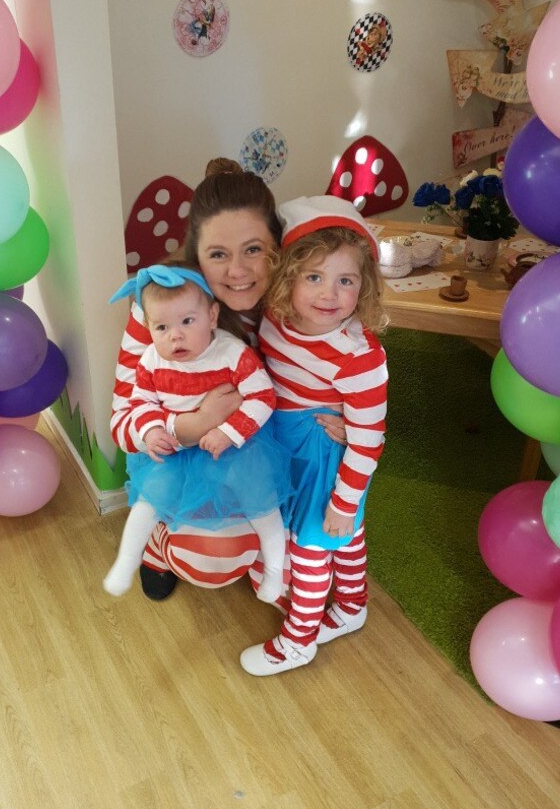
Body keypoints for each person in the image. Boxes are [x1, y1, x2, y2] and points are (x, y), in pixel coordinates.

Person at [110, 159, 346, 601]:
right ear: (195, 257)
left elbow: (354, 365)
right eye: (218, 254)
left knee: (280, 543)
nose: (237, 270)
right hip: (179, 453)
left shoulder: (305, 298)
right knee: (208, 560)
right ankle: (158, 547)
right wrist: (192, 425)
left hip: (259, 445)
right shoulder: (160, 308)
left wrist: (350, 417)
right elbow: (123, 420)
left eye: (253, 249)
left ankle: (265, 552)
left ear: (277, 248)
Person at [240, 196, 389, 675]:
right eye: (315, 277)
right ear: (287, 279)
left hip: (328, 458)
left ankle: (299, 639)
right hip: (288, 447)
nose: (330, 294)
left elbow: (368, 438)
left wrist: (344, 502)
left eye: (346, 280)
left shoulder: (357, 355)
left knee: (314, 544)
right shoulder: (275, 317)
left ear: (363, 286)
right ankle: (351, 606)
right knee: (339, 540)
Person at [104, 265, 290, 601]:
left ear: (213, 316)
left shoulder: (232, 353)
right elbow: (141, 401)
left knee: (261, 504)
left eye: (187, 322)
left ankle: (275, 570)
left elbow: (263, 397)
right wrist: (150, 430)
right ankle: (127, 560)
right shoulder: (150, 359)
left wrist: (229, 432)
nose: (175, 335)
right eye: (162, 327)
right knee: (149, 501)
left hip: (236, 447)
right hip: (180, 452)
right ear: (149, 327)